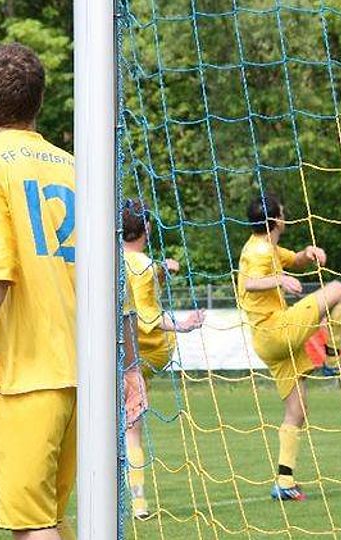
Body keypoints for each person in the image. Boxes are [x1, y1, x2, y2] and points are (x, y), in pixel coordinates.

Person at [0, 43, 76, 540]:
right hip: (84, 368)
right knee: (51, 517)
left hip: (28, 370)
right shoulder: (73, 165)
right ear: (39, 99)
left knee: (30, 526)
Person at [236, 192, 341, 502]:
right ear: (277, 219)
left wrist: (308, 253)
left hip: (270, 341)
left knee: (297, 410)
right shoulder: (259, 252)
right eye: (283, 212)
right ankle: (334, 358)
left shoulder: (267, 247)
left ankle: (284, 481)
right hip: (277, 330)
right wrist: (279, 280)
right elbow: (249, 283)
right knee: (340, 290)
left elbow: (294, 260)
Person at [120, 199, 205, 519]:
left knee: (124, 425)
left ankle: (136, 501)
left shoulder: (110, 259)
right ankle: (138, 503)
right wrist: (182, 325)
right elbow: (148, 317)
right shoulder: (146, 265)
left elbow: (140, 312)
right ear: (148, 228)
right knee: (129, 427)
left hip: (123, 352)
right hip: (148, 350)